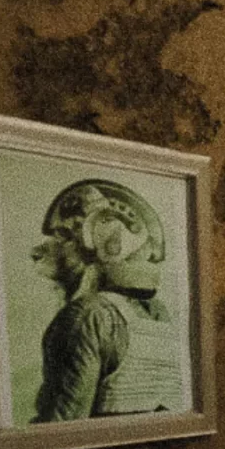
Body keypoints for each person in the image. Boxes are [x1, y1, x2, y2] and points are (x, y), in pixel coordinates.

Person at [30, 178, 183, 422]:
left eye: (63, 236)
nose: (37, 252)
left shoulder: (86, 316)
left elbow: (61, 428)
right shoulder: (160, 314)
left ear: (96, 243)